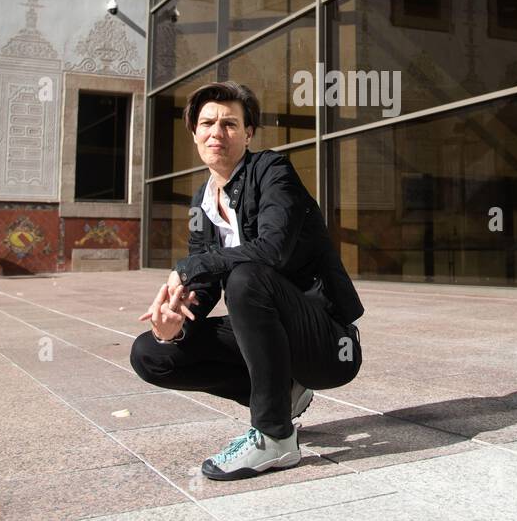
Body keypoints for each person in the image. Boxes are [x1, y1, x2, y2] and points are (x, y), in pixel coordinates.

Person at [129, 81, 364, 481]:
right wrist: (175, 323)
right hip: (270, 332)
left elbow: (273, 250)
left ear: (249, 133)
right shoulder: (201, 203)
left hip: (325, 342)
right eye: (206, 124)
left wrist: (188, 266)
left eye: (230, 124)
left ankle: (275, 437)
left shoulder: (272, 171)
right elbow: (202, 291)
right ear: (194, 132)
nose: (216, 133)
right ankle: (284, 394)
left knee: (245, 278)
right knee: (151, 354)